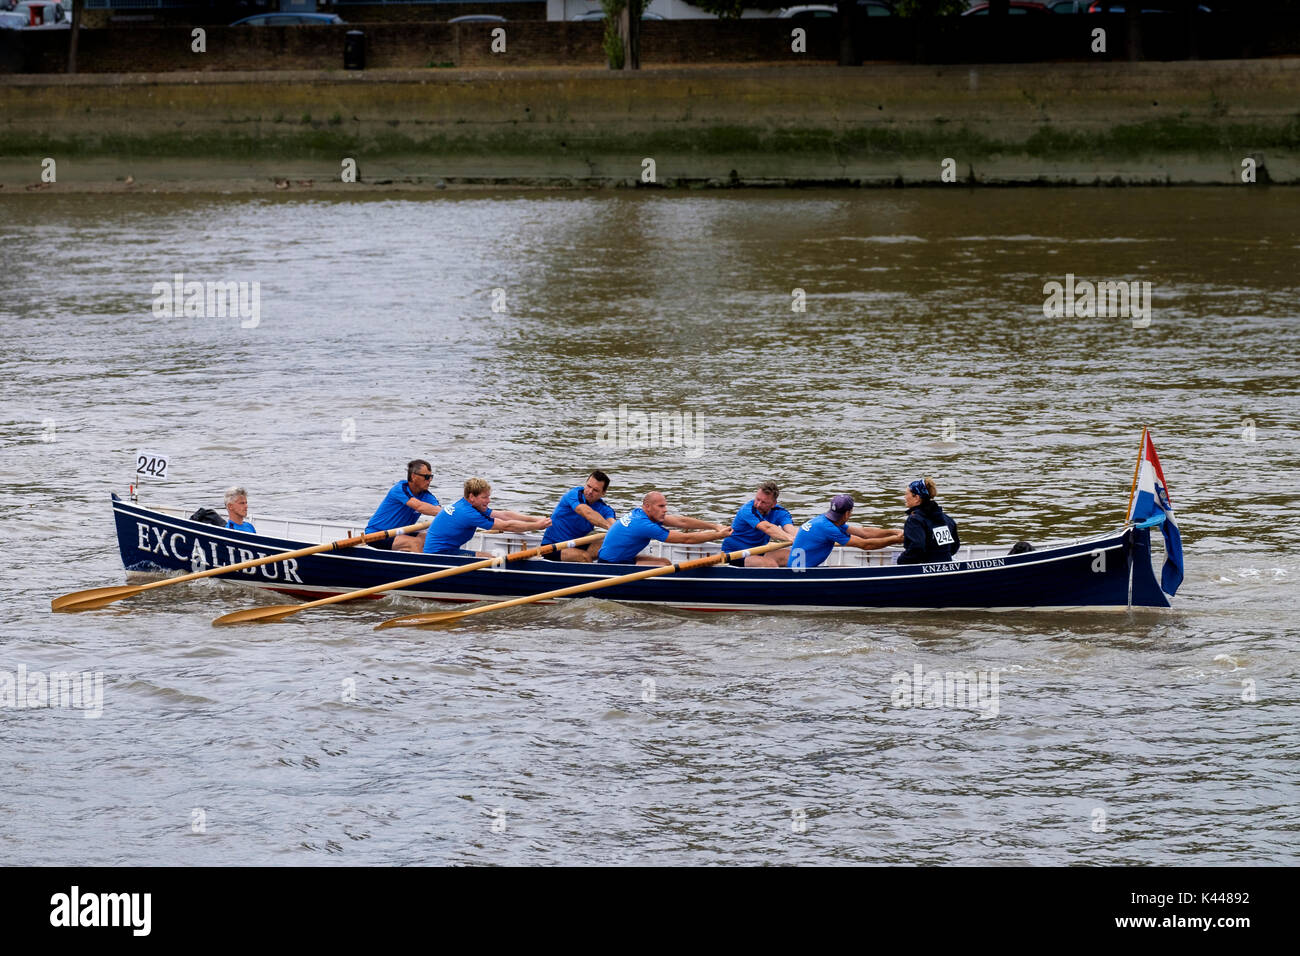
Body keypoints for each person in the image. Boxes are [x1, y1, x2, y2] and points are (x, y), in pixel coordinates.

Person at [423, 477, 551, 557]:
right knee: (489, 558)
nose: (488, 500)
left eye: (488, 496)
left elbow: (504, 515)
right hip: (439, 554)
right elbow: (507, 526)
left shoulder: (468, 505)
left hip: (442, 550)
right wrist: (537, 526)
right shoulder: (468, 513)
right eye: (484, 497)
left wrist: (536, 519)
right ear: (472, 497)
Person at [596, 491, 729, 567]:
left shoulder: (641, 512)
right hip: (611, 565)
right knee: (664, 566)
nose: (665, 510)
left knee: (665, 562)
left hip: (620, 557)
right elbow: (686, 539)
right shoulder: (644, 525)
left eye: (665, 506)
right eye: (661, 506)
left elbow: (681, 521)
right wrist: (718, 535)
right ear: (648, 506)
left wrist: (715, 526)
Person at [787, 494, 901, 569]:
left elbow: (864, 533)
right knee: (849, 569)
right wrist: (896, 540)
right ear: (847, 513)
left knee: (844, 567)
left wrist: (893, 532)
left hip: (799, 568)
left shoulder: (826, 520)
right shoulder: (829, 528)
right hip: (801, 572)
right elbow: (866, 544)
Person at [365, 460, 442, 552]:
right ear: (413, 476)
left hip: (399, 534)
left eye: (431, 477)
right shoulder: (400, 489)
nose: (429, 480)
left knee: (427, 538)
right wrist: (444, 513)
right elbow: (419, 506)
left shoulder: (426, 495)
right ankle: (422, 565)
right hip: (377, 534)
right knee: (414, 543)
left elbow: (439, 510)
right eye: (426, 477)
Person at [541, 470, 616, 562]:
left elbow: (614, 524)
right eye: (588, 486)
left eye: (595, 490)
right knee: (584, 557)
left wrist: (616, 530)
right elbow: (587, 513)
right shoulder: (574, 494)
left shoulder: (605, 509)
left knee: (611, 547)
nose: (590, 491)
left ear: (603, 493)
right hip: (551, 547)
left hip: (575, 545)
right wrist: (609, 527)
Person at [721, 480, 798, 568]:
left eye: (764, 502)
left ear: (773, 504)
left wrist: (800, 538)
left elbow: (790, 528)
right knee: (769, 564)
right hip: (735, 554)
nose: (758, 505)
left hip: (759, 552)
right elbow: (767, 527)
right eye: (757, 499)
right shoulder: (748, 510)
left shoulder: (780, 512)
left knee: (795, 557)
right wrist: (790, 538)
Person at [898, 477, 961, 564]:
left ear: (917, 498)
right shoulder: (947, 518)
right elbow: (954, 547)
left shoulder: (914, 520)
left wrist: (901, 560)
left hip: (924, 568)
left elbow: (917, 548)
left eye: (906, 494)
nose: (904, 497)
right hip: (945, 565)